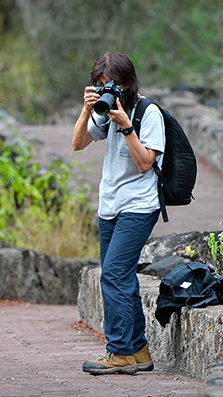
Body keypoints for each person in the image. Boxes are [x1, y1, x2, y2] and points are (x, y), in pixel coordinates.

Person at [72, 51, 165, 375]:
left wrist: (127, 127)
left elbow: (144, 164)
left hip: (139, 206)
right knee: (121, 276)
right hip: (110, 205)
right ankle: (138, 350)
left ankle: (120, 352)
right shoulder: (104, 108)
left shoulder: (147, 112)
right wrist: (87, 110)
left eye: (112, 84)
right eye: (99, 85)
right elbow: (77, 143)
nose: (107, 90)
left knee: (112, 275)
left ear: (128, 83)